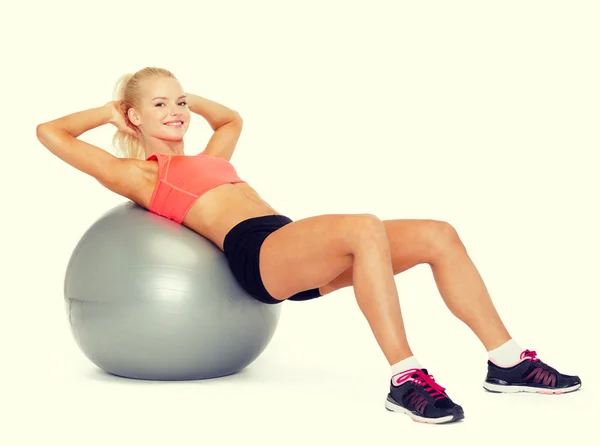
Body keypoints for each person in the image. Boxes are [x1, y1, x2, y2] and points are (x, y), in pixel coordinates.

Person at [36, 66, 581, 424]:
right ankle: (405, 376)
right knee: (364, 223)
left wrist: (181, 97)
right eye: (160, 106)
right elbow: (49, 132)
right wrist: (114, 111)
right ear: (135, 116)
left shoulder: (214, 155)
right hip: (255, 255)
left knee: (438, 234)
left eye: (179, 102)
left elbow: (230, 118)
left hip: (289, 242)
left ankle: (506, 363)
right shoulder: (139, 173)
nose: (176, 112)